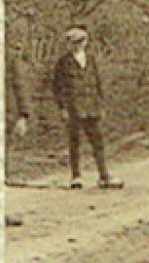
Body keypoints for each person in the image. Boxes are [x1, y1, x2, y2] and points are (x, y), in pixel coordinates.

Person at [51, 26, 120, 190]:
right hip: (74, 107)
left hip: (91, 106)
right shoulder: (63, 63)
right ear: (69, 44)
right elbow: (57, 87)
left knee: (98, 140)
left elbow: (97, 83)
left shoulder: (91, 59)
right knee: (75, 142)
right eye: (74, 42)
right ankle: (76, 176)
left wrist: (101, 103)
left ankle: (103, 175)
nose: (78, 45)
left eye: (81, 41)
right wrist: (62, 108)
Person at [5, 41, 31, 184]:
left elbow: (20, 86)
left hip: (5, 109)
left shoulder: (10, 58)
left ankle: (4, 174)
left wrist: (23, 114)